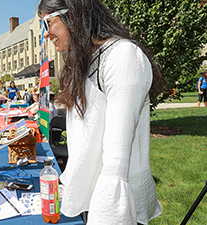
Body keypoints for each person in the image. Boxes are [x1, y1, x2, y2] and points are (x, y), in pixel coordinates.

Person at [38, 0, 166, 224]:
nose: (46, 34)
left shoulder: (123, 56)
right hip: (90, 195)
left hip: (116, 208)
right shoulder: (86, 60)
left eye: (48, 23)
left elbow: (116, 161)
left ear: (73, 16)